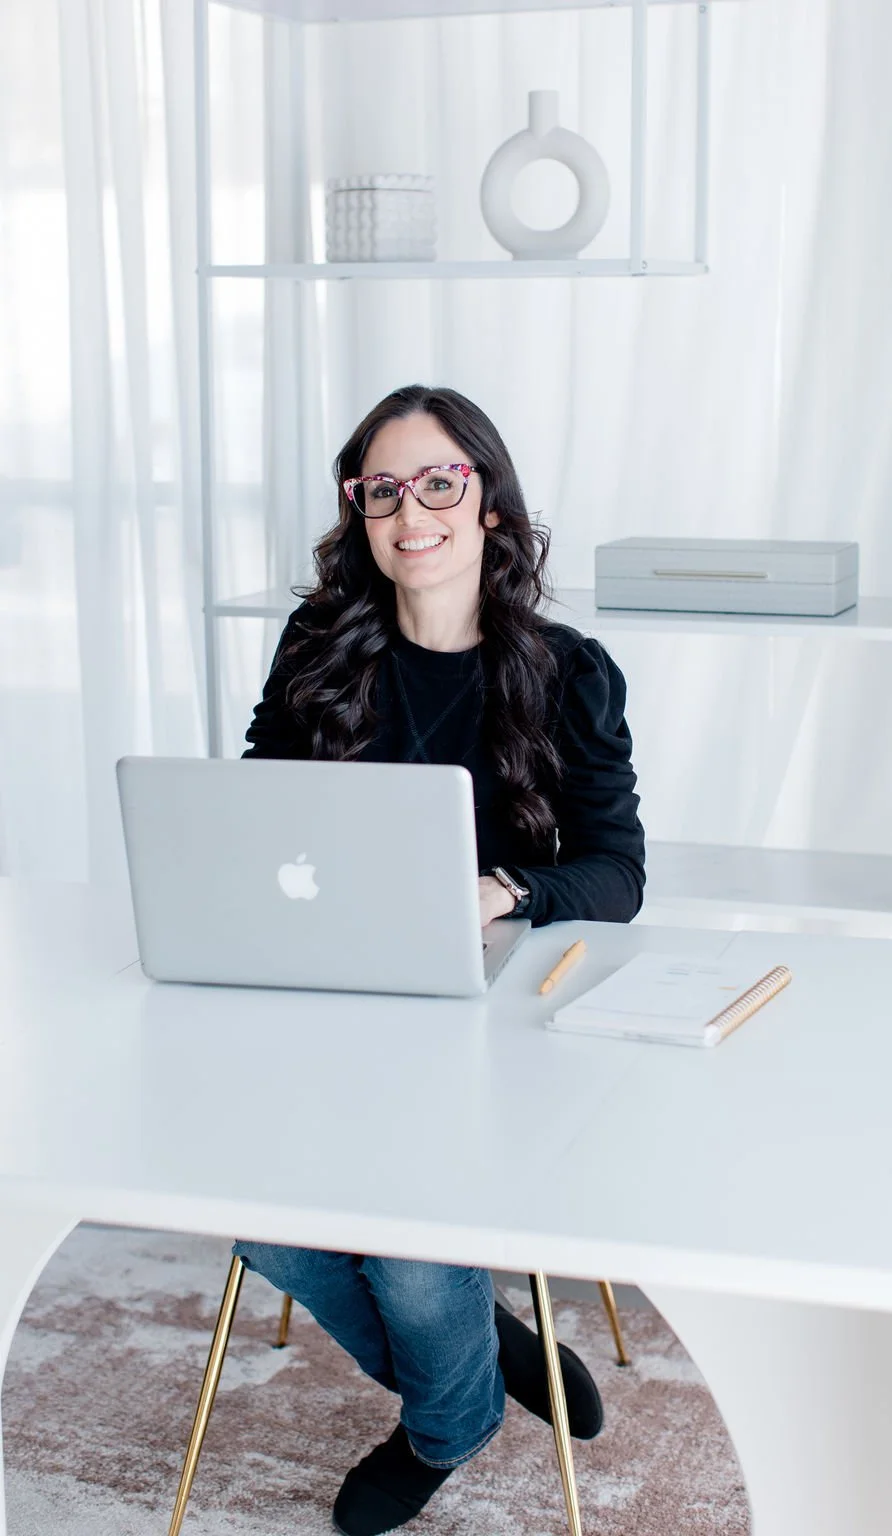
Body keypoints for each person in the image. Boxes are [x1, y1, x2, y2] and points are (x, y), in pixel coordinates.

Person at [234, 384, 645, 1536]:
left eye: (438, 482)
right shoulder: (321, 645)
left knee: (413, 1262)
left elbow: (618, 872)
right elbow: (257, 813)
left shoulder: (567, 672)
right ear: (359, 513)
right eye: (381, 490)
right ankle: (480, 1352)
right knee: (258, 1218)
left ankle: (443, 1425)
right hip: (327, 997)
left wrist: (503, 888)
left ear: (490, 507)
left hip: (485, 1017)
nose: (409, 510)